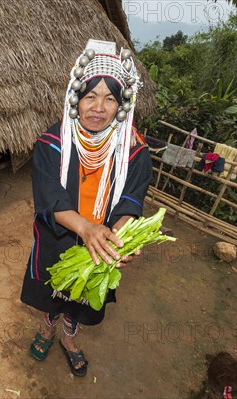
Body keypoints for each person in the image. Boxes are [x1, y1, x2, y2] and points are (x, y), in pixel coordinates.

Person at [20, 40, 153, 377]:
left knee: (80, 300)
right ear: (75, 99)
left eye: (110, 98)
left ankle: (68, 338)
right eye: (90, 96)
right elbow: (49, 197)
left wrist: (120, 237)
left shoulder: (134, 152)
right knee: (54, 293)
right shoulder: (52, 143)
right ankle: (48, 329)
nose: (99, 107)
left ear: (122, 105)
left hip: (100, 245)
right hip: (59, 238)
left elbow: (130, 202)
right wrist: (85, 228)